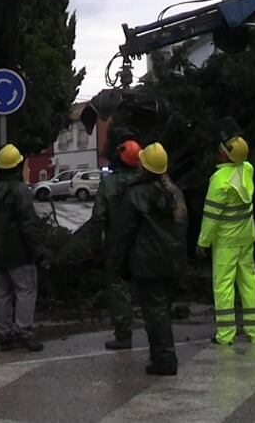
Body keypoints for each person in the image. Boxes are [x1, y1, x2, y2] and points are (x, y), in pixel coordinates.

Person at [109, 143, 187, 376]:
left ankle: (164, 360)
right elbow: (182, 228)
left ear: (144, 165)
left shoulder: (136, 194)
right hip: (172, 262)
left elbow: (123, 233)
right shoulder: (174, 192)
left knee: (155, 312)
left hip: (147, 264)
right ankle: (162, 355)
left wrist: (118, 263)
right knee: (163, 310)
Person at [197, 129, 255, 345]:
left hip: (226, 243)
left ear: (227, 155)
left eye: (223, 150)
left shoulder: (219, 180)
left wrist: (202, 243)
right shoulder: (248, 169)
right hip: (246, 238)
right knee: (249, 283)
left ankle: (225, 335)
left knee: (224, 286)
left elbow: (211, 217)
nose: (220, 152)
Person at [84, 134, 141, 350]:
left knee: (118, 289)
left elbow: (98, 218)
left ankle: (124, 334)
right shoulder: (144, 181)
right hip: (143, 244)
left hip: (117, 244)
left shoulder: (109, 185)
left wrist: (95, 247)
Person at [0, 144, 44, 352]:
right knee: (25, 290)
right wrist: (36, 250)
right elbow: (28, 223)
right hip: (19, 252)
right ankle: (24, 332)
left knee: (2, 293)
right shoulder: (20, 191)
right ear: (18, 166)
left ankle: (4, 335)